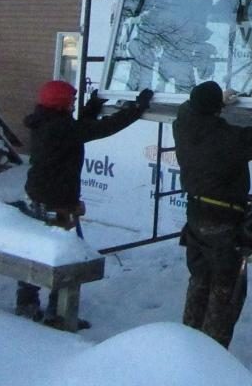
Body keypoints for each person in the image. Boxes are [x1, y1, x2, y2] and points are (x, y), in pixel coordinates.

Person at [15, 80, 153, 327]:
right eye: (71, 100)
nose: (72, 104)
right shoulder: (57, 128)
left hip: (40, 197)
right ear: (62, 104)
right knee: (63, 257)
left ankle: (28, 304)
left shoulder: (46, 121)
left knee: (37, 251)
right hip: (54, 203)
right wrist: (136, 109)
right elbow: (99, 129)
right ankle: (57, 313)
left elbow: (78, 127)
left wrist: (93, 106)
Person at [173, 80, 252, 349]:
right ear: (216, 110)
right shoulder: (225, 138)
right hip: (223, 221)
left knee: (200, 278)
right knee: (226, 289)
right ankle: (212, 354)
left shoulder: (182, 125)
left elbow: (186, 109)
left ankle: (186, 343)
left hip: (196, 216)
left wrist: (217, 101)